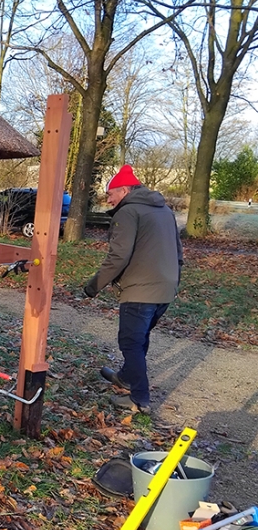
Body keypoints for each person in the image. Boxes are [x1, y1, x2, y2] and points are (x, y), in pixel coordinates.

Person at [84, 165, 183, 413]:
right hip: (166, 288)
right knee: (140, 338)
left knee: (130, 342)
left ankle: (139, 399)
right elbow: (179, 252)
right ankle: (126, 377)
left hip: (140, 290)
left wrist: (93, 286)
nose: (109, 200)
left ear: (125, 190)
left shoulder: (128, 212)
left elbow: (118, 256)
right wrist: (174, 281)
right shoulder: (165, 210)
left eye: (111, 194)